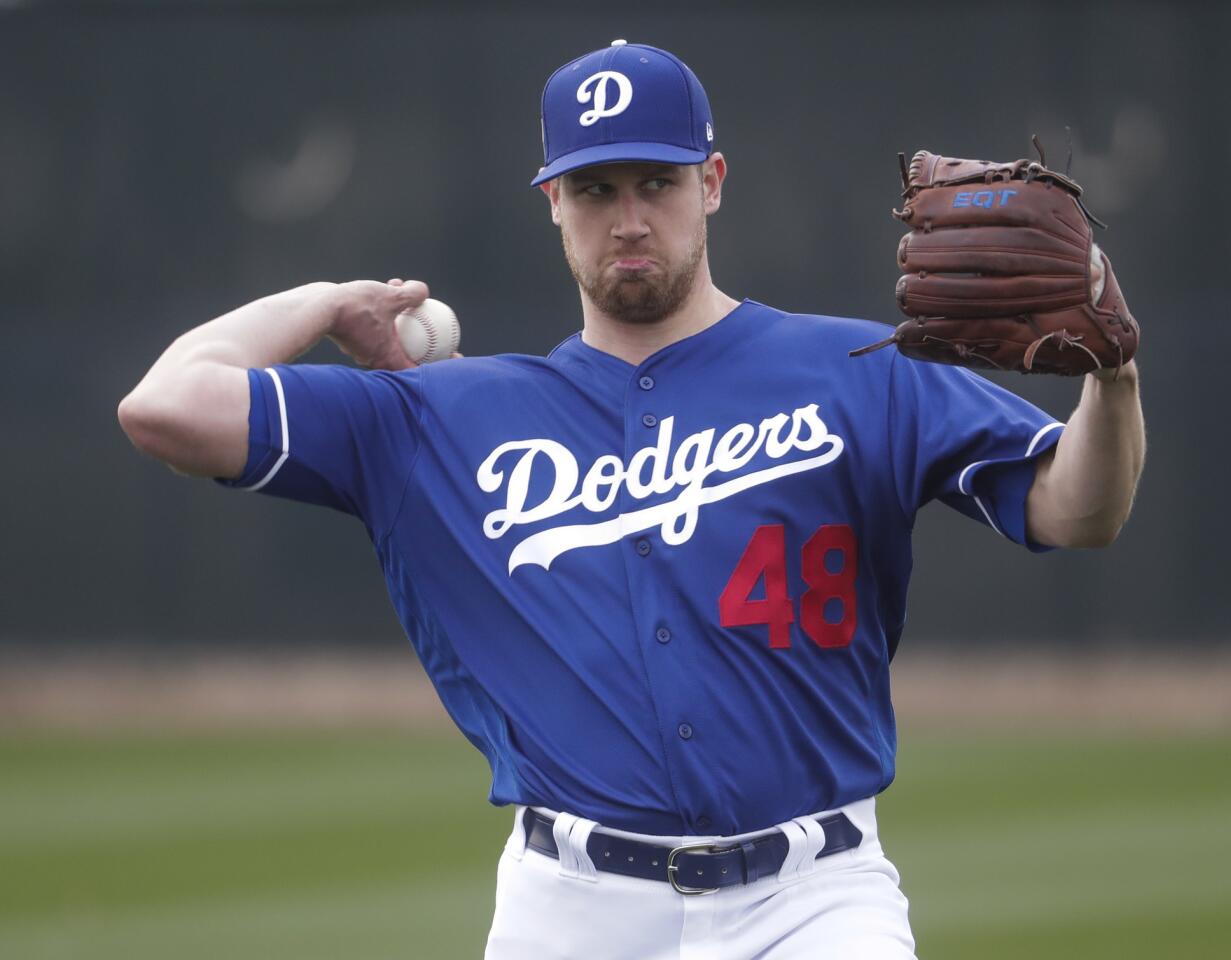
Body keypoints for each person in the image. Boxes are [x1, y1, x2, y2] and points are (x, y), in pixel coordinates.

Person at [118, 39, 1146, 960]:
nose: (628, 216)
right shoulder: (434, 417)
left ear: (712, 182)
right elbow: (165, 407)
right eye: (595, 188)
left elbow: (1077, 509)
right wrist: (323, 303)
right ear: (553, 204)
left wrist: (1113, 376)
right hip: (568, 909)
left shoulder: (855, 366)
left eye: (655, 181)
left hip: (817, 902)